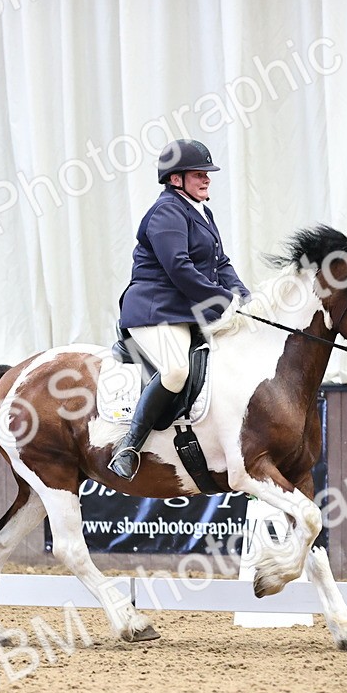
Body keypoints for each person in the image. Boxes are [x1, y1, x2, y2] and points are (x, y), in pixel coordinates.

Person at [108, 139, 251, 480]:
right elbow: (179, 267)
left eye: (208, 174)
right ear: (176, 180)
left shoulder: (202, 211)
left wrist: (244, 299)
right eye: (199, 174)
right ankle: (129, 445)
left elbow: (221, 262)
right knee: (175, 370)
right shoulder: (166, 212)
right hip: (155, 307)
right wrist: (221, 301)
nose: (207, 180)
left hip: (185, 309)